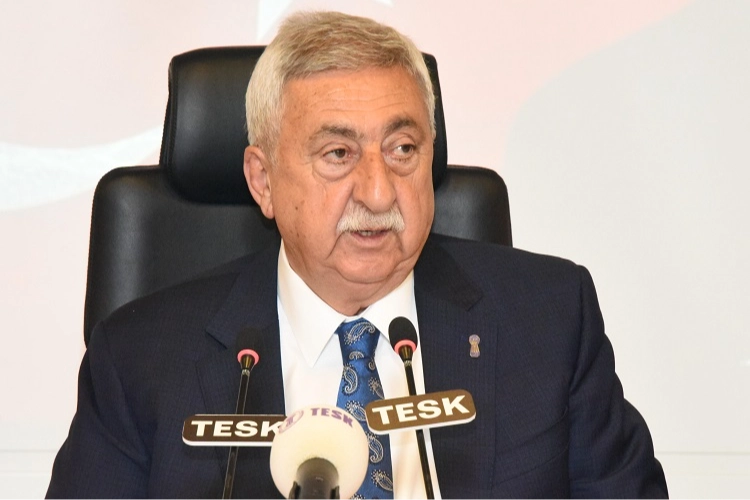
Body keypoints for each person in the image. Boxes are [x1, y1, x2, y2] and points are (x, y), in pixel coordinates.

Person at [47, 11, 668, 499]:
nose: (378, 192)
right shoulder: (140, 358)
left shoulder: (549, 321)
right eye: (338, 155)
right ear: (263, 181)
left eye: (402, 149)